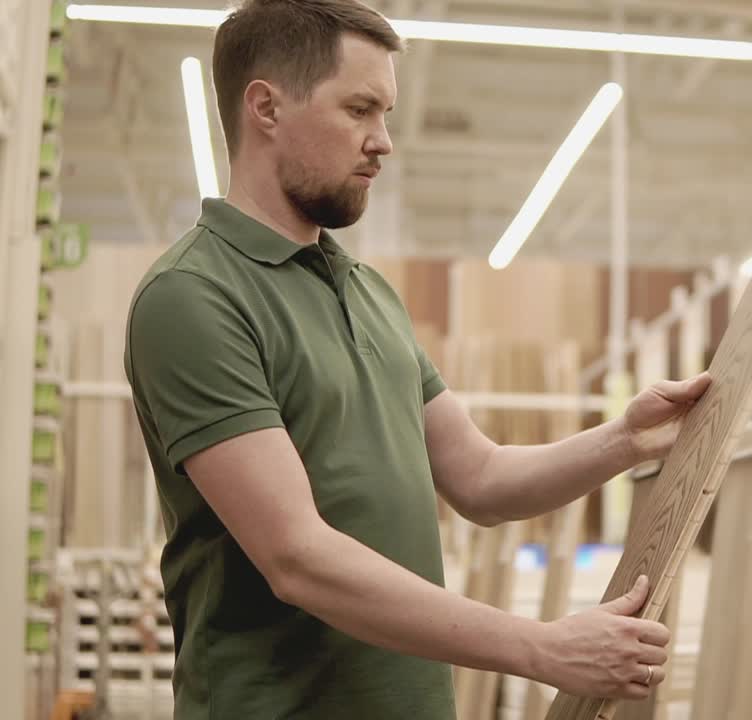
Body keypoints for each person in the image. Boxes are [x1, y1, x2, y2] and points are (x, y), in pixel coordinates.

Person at [122, 0, 712, 717]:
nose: (383, 142)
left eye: (386, 114)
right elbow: (297, 557)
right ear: (266, 107)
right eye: (360, 109)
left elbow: (482, 479)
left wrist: (625, 439)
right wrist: (543, 648)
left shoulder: (369, 292)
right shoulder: (193, 297)